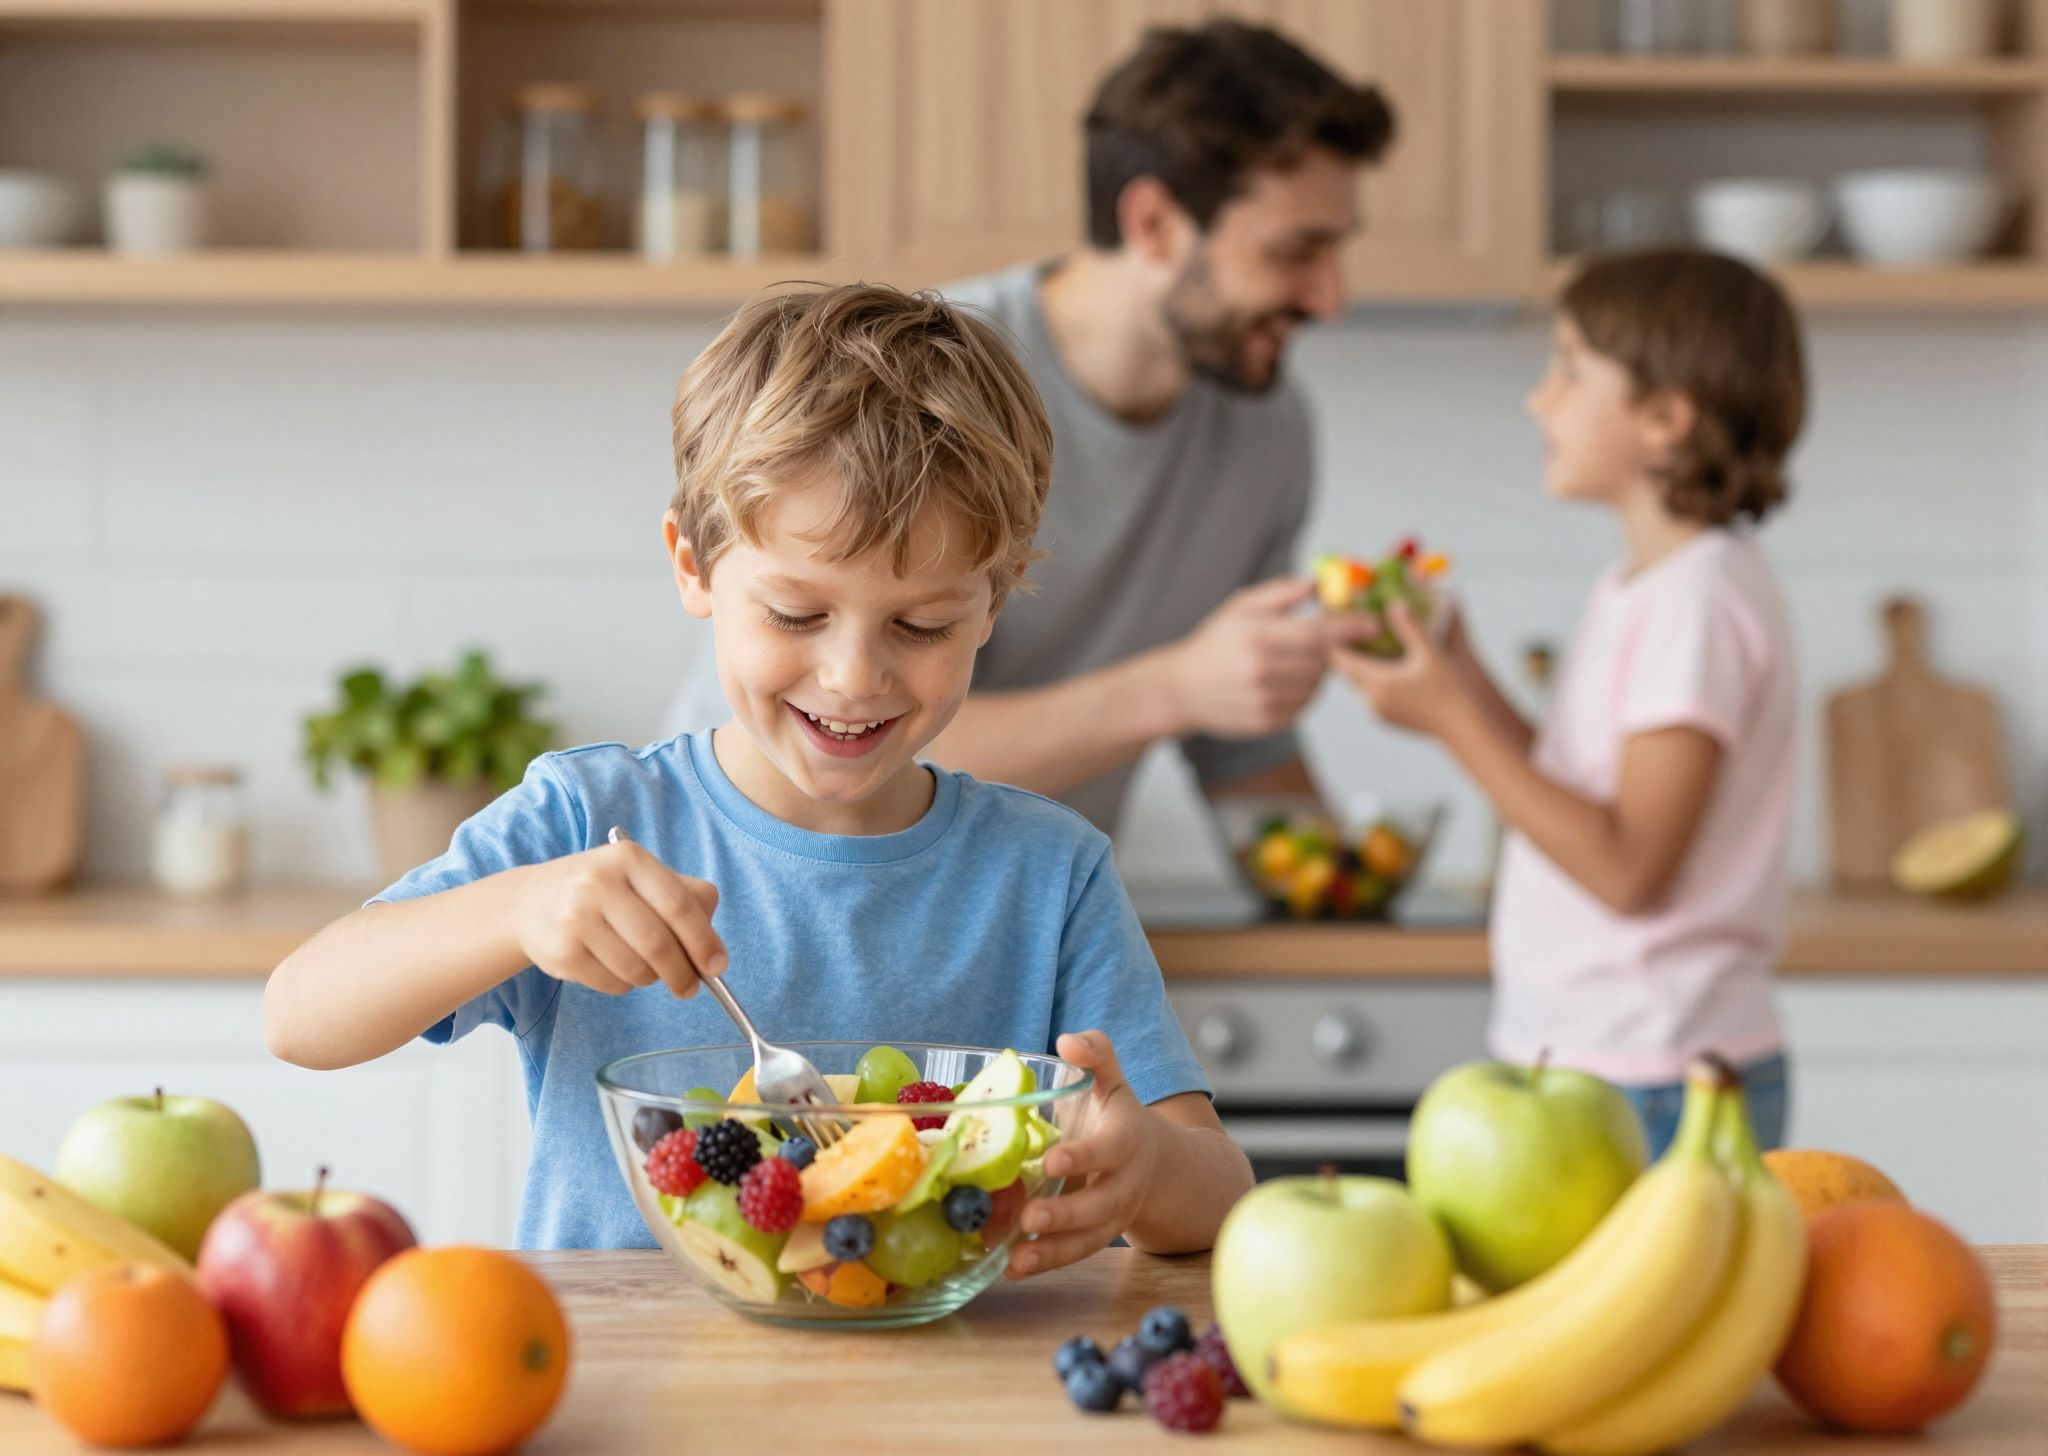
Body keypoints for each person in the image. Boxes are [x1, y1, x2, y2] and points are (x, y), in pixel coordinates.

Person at [264, 285, 1252, 1267]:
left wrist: (1145, 1171)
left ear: (992, 606)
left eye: (922, 625)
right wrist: (516, 911)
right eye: (795, 614)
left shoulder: (1050, 875)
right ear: (692, 564)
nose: (854, 676)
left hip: (945, 1366)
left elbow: (1218, 1192)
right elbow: (299, 1014)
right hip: (621, 1366)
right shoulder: (587, 821)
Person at [666, 19, 1398, 834]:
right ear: (1154, 223)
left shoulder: (1267, 429)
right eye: (1297, 251)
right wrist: (1173, 688)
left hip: (1027, 893)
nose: (1331, 298)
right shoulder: (928, 385)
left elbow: (1237, 740)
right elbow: (849, 726)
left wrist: (1342, 876)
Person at [1333, 249, 1805, 1156]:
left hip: (1655, 1072)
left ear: (1665, 418)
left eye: (1570, 369)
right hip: (1612, 1060)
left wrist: (1451, 719)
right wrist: (1462, 675)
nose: (1538, 400)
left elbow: (1628, 868)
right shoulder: (1649, 586)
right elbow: (1577, 792)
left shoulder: (1698, 602)